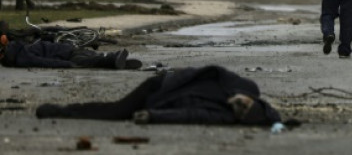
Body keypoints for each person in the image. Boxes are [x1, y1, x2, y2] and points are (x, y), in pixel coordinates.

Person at [35, 65, 282, 127]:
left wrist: (153, 116)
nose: (238, 106)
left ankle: (63, 110)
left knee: (116, 111)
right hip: (160, 86)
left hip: (159, 101)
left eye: (241, 112)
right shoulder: (244, 85)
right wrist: (170, 80)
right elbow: (208, 70)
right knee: (116, 112)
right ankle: (60, 111)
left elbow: (190, 115)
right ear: (251, 99)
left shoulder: (225, 115)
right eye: (245, 104)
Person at [0, 26, 141, 70]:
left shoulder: (19, 53)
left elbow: (42, 58)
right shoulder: (21, 52)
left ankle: (114, 61)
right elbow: (42, 60)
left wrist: (66, 64)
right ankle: (114, 60)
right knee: (88, 59)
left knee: (89, 59)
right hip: (67, 52)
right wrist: (67, 64)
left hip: (67, 53)